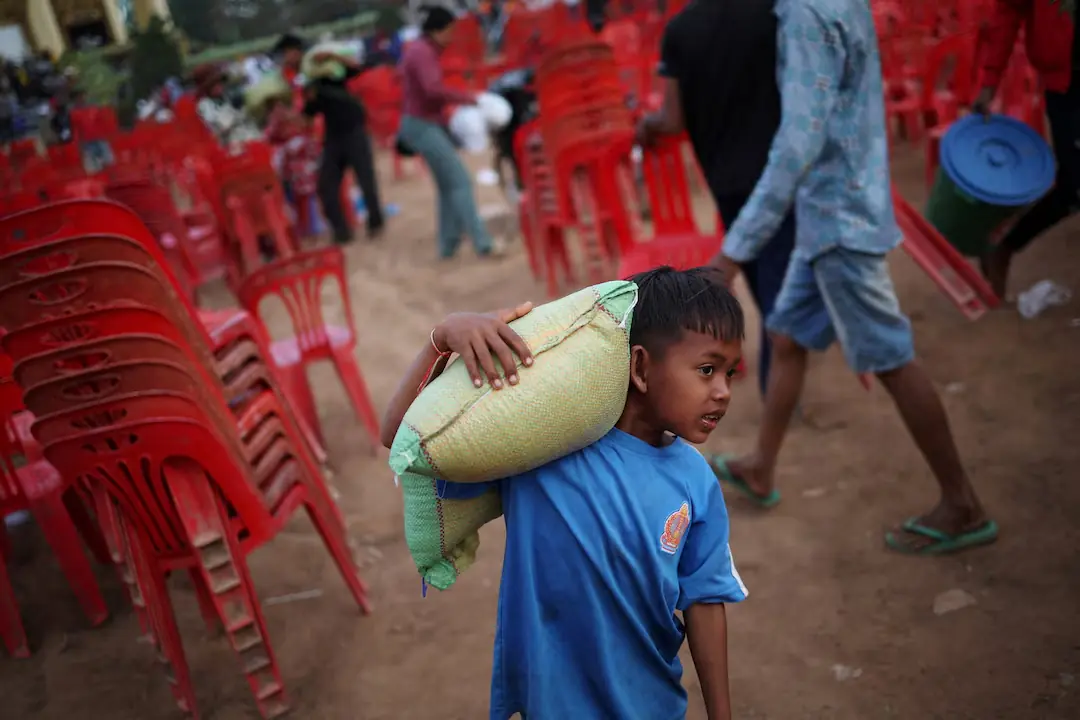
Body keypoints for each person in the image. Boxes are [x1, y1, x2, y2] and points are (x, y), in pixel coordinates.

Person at [381, 267, 747, 720]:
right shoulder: (543, 451)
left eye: (730, 374)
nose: (723, 392)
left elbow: (704, 600)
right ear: (640, 367)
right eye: (707, 370)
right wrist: (441, 339)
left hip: (651, 705)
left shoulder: (695, 480)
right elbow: (400, 437)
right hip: (551, 705)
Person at [700, 0, 996, 554]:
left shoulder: (807, 14)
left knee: (890, 357)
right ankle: (762, 466)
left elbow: (796, 146)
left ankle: (962, 504)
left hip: (839, 219)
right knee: (787, 337)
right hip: (836, 207)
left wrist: (735, 252)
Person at [638, 0, 793, 398]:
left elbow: (670, 120)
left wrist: (646, 126)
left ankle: (778, 392)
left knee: (768, 295)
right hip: (782, 175)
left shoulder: (680, 29)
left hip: (728, 183)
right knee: (783, 298)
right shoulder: (773, 14)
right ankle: (780, 394)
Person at [975, 1, 1078, 299]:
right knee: (1074, 186)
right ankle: (1005, 244)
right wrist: (990, 81)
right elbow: (1008, 12)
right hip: (1066, 84)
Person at [398, 6, 502, 258]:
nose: (452, 36)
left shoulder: (421, 50)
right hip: (422, 125)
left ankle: (448, 245)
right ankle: (482, 242)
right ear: (437, 30)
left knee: (447, 186)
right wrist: (469, 99)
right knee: (460, 182)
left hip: (422, 123)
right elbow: (432, 89)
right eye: (450, 30)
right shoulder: (423, 52)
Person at [275, 33, 387, 244]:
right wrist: (288, 116)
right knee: (326, 186)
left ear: (296, 52)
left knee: (365, 179)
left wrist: (332, 57)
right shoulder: (305, 81)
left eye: (286, 54)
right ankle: (342, 233)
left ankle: (376, 224)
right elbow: (308, 118)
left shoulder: (323, 63)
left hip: (353, 126)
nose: (285, 59)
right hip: (334, 134)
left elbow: (357, 68)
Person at [192, 64, 262, 147]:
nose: (219, 86)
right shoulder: (204, 106)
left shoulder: (227, 97)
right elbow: (217, 131)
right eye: (214, 84)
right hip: (232, 146)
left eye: (219, 82)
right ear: (206, 88)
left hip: (251, 139)